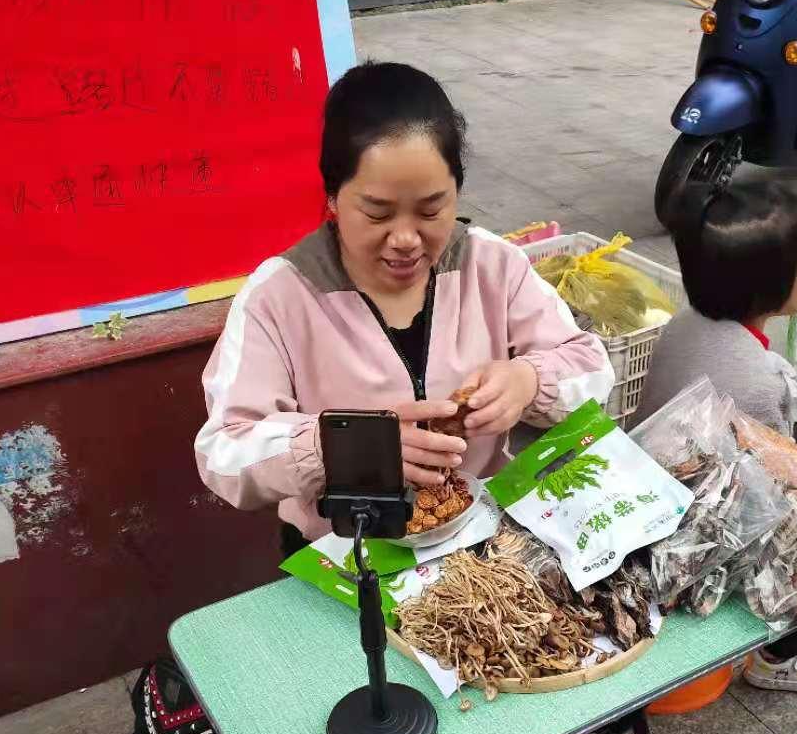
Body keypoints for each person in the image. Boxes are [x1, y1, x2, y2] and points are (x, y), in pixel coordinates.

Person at [195, 62, 614, 552]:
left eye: (432, 210)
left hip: (481, 540)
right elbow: (223, 452)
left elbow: (592, 367)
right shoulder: (281, 295)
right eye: (377, 212)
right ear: (332, 196)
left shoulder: (491, 265)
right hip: (347, 554)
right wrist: (343, 447)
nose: (406, 239)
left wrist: (529, 382)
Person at [633, 180, 797, 695]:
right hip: (688, 534)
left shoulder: (685, 322)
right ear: (767, 283)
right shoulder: (758, 377)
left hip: (647, 488)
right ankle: (778, 658)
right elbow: (779, 489)